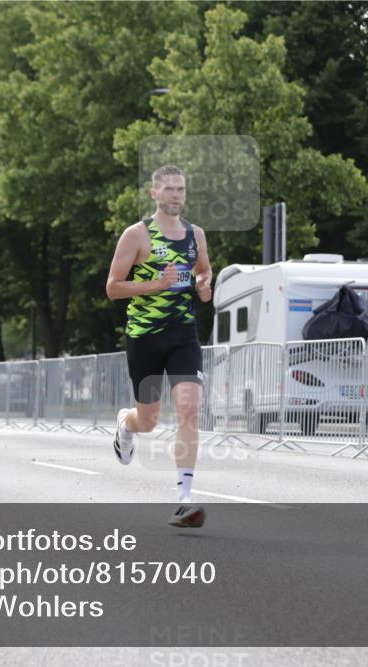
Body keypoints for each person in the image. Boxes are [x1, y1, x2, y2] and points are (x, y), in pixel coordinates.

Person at [106, 165, 212, 528]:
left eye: (181, 189)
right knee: (147, 421)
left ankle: (184, 498)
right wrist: (155, 284)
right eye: (168, 189)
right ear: (154, 194)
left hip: (183, 334)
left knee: (189, 409)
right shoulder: (136, 235)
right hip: (144, 337)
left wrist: (203, 285)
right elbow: (113, 287)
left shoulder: (195, 234)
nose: (176, 195)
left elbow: (203, 270)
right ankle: (126, 424)